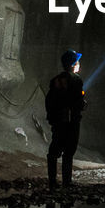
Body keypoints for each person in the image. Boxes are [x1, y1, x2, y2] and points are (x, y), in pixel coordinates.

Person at [45, 49, 86, 189]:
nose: (79, 64)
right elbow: (78, 102)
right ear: (73, 64)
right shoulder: (76, 80)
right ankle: (66, 182)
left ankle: (52, 181)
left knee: (54, 150)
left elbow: (49, 100)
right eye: (77, 61)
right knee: (68, 152)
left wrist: (52, 117)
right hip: (72, 122)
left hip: (58, 121)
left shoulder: (55, 80)